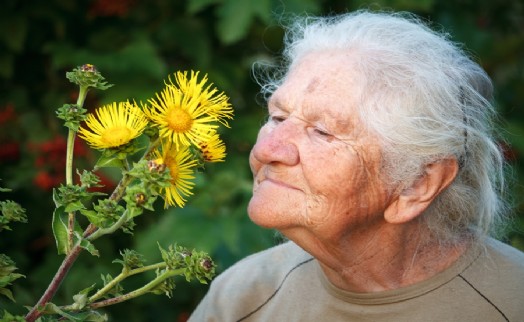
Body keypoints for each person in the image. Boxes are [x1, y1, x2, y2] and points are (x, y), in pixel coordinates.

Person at [189, 10, 524, 322]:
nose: (267, 149)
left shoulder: (511, 302)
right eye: (278, 117)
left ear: (417, 184)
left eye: (321, 132)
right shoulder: (241, 298)